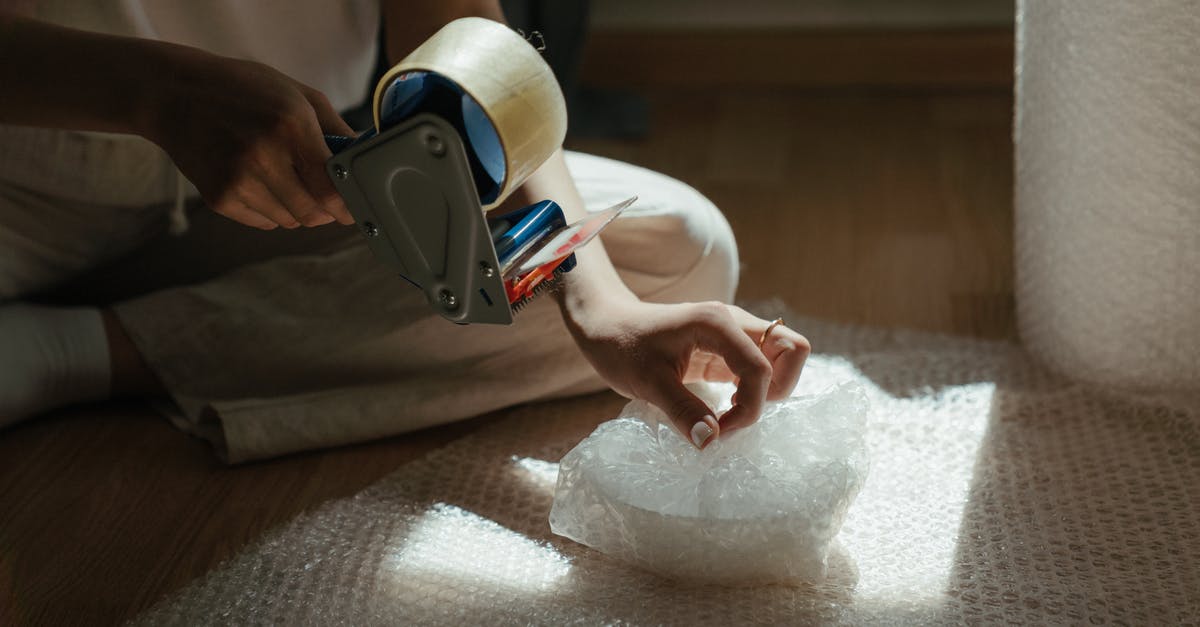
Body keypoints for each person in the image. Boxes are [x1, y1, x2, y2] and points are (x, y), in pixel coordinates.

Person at [0, 1, 810, 462]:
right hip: (21, 188)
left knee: (680, 248)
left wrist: (599, 302)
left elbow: (474, 61)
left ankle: (75, 349)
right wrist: (155, 95)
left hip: (275, 190)